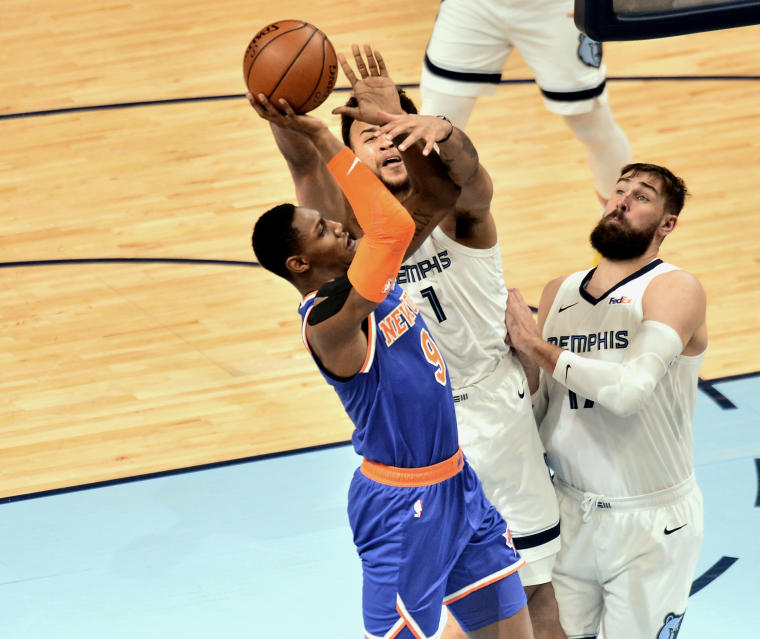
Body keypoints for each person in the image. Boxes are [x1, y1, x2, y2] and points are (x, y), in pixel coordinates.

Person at [266, 45, 565, 638]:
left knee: (529, 603)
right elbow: (314, 181)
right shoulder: (354, 257)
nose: (382, 140)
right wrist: (292, 122)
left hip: (484, 426)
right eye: (368, 138)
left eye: (391, 130)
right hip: (411, 469)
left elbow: (463, 181)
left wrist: (436, 130)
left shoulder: (444, 212)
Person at [503, 163, 708, 638]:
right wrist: (524, 370)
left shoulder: (674, 288)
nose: (621, 201)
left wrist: (538, 348)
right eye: (618, 191)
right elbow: (545, 409)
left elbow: (628, 391)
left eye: (641, 196)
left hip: (651, 521)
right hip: (568, 509)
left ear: (667, 224)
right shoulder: (560, 291)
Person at [419, 0, 632, 203]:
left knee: (593, 127)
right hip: (473, 7)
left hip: (556, 10)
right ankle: (420, 231)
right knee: (433, 123)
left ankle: (623, 226)